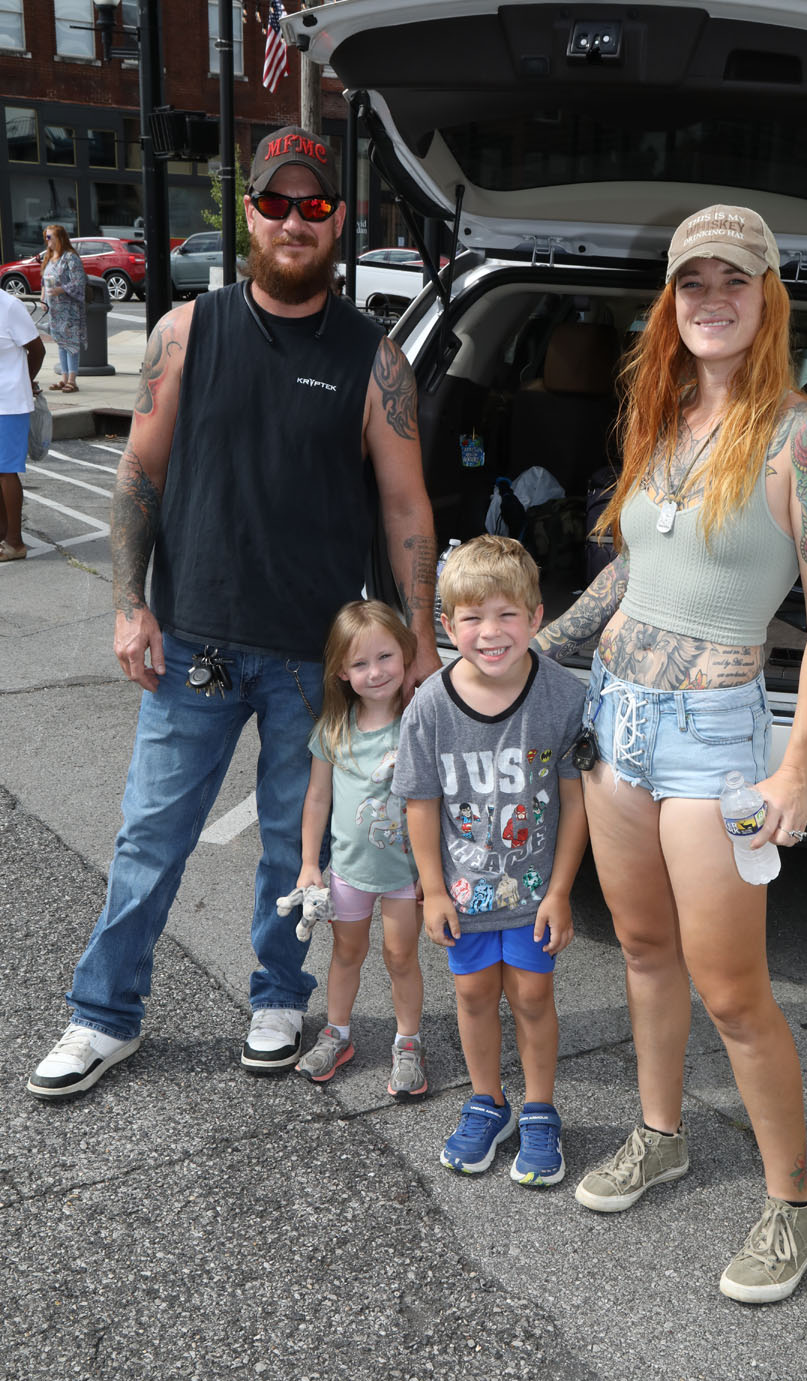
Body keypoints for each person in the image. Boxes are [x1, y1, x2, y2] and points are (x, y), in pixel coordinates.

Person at [28, 125, 440, 1100]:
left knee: (296, 848)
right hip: (196, 640)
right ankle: (103, 1016)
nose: (294, 221)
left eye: (314, 205)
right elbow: (138, 473)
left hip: (319, 656)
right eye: (275, 203)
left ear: (337, 219)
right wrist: (130, 606)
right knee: (149, 838)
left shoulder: (376, 357)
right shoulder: (184, 332)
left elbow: (406, 505)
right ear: (247, 213)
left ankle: (278, 995)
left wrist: (418, 635)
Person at [536, 204, 807, 1301]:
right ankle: (661, 1132)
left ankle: (793, 1205)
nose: (710, 299)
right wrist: (536, 657)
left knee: (733, 990)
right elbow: (631, 570)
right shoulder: (664, 414)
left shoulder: (802, 437)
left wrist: (796, 772)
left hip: (717, 742)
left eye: (734, 280)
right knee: (637, 948)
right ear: (670, 304)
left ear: (769, 297)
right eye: (691, 283)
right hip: (617, 719)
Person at [394, 535, 588, 1187]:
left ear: (536, 617)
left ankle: (538, 1111)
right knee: (474, 994)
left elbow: (574, 798)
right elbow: (420, 802)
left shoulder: (562, 697)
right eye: (473, 618)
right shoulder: (429, 706)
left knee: (533, 995)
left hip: (533, 894)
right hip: (464, 894)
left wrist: (561, 890)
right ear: (448, 627)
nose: (491, 631)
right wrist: (433, 890)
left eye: (508, 614)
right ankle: (488, 1102)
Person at [294, 600, 426, 1100]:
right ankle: (338, 1033)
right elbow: (317, 799)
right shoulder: (333, 729)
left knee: (400, 956)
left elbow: (437, 803)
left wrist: (430, 875)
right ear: (342, 672)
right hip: (347, 872)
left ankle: (408, 1042)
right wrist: (311, 863)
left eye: (386, 657)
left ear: (407, 654)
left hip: (404, 874)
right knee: (346, 954)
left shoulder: (418, 724)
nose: (375, 672)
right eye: (360, 663)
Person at [0, 288, 45, 562]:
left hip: (9, 402)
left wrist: (26, 381)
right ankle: (3, 534)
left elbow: (37, 350)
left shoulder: (10, 306)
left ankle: (15, 541)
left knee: (5, 471)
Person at [41, 226, 86, 394]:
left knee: (71, 343)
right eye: (46, 237)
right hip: (54, 309)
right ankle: (64, 378)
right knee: (61, 343)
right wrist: (43, 298)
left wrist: (60, 289)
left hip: (69, 308)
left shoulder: (70, 258)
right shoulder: (49, 257)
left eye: (50, 237)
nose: (47, 240)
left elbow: (79, 282)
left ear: (59, 237)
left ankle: (72, 380)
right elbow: (44, 281)